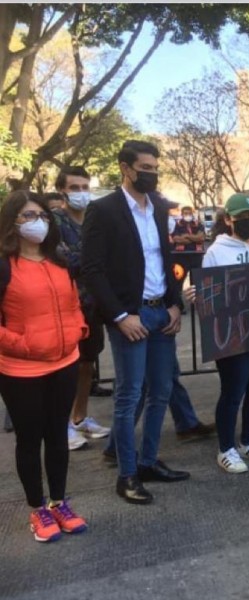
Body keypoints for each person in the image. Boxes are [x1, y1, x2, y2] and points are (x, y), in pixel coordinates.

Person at [82, 140, 189, 505]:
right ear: (125, 168)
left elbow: (167, 258)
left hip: (163, 312)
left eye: (155, 167)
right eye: (145, 167)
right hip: (130, 315)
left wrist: (176, 304)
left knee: (160, 391)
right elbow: (92, 269)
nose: (152, 173)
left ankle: (147, 462)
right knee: (129, 396)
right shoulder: (104, 210)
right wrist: (118, 316)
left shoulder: (158, 208)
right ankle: (126, 474)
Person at [0, 191, 89, 542]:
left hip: (64, 361)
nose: (36, 221)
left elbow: (72, 304)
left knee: (57, 436)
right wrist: (22, 344)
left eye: (41, 214)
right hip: (21, 369)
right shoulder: (4, 265)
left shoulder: (59, 261)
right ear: (11, 222)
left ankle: (58, 503)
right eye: (26, 215)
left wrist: (78, 329)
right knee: (29, 438)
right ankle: (37, 509)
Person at [189, 193, 249, 473]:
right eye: (240, 217)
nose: (247, 222)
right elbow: (212, 291)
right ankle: (226, 447)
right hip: (232, 334)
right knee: (233, 391)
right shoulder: (216, 251)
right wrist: (198, 295)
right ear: (228, 220)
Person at [52, 166, 112, 451]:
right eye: (74, 187)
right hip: (65, 306)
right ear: (62, 190)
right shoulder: (54, 222)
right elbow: (66, 261)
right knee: (67, 366)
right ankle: (60, 425)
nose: (80, 192)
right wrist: (94, 262)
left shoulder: (94, 219)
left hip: (92, 304)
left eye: (84, 186)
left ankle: (80, 417)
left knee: (88, 363)